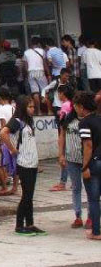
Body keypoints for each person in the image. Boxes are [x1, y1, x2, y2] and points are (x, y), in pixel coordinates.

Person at [0, 96, 44, 235]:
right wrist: (12, 149)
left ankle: (30, 223)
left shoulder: (28, 122)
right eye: (29, 107)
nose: (32, 109)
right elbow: (3, 133)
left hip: (32, 162)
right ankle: (19, 225)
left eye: (33, 107)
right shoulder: (17, 121)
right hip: (23, 162)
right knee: (26, 195)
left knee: (29, 195)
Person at [74, 91, 101, 240]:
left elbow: (88, 145)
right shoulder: (99, 119)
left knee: (94, 199)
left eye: (76, 106)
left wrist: (84, 167)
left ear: (82, 107)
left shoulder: (84, 122)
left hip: (94, 163)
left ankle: (96, 231)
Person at [60, 87, 86, 227]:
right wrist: (61, 154)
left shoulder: (88, 120)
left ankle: (92, 215)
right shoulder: (68, 119)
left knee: (91, 187)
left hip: (87, 158)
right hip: (72, 157)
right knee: (76, 187)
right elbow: (62, 136)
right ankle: (78, 215)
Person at [24, 37, 50, 115]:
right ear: (38, 44)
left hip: (31, 72)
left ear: (31, 44)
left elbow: (26, 66)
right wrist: (48, 74)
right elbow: (45, 64)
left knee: (35, 92)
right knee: (44, 91)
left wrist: (27, 75)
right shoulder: (42, 51)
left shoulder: (26, 52)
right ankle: (49, 110)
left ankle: (38, 111)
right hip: (40, 72)